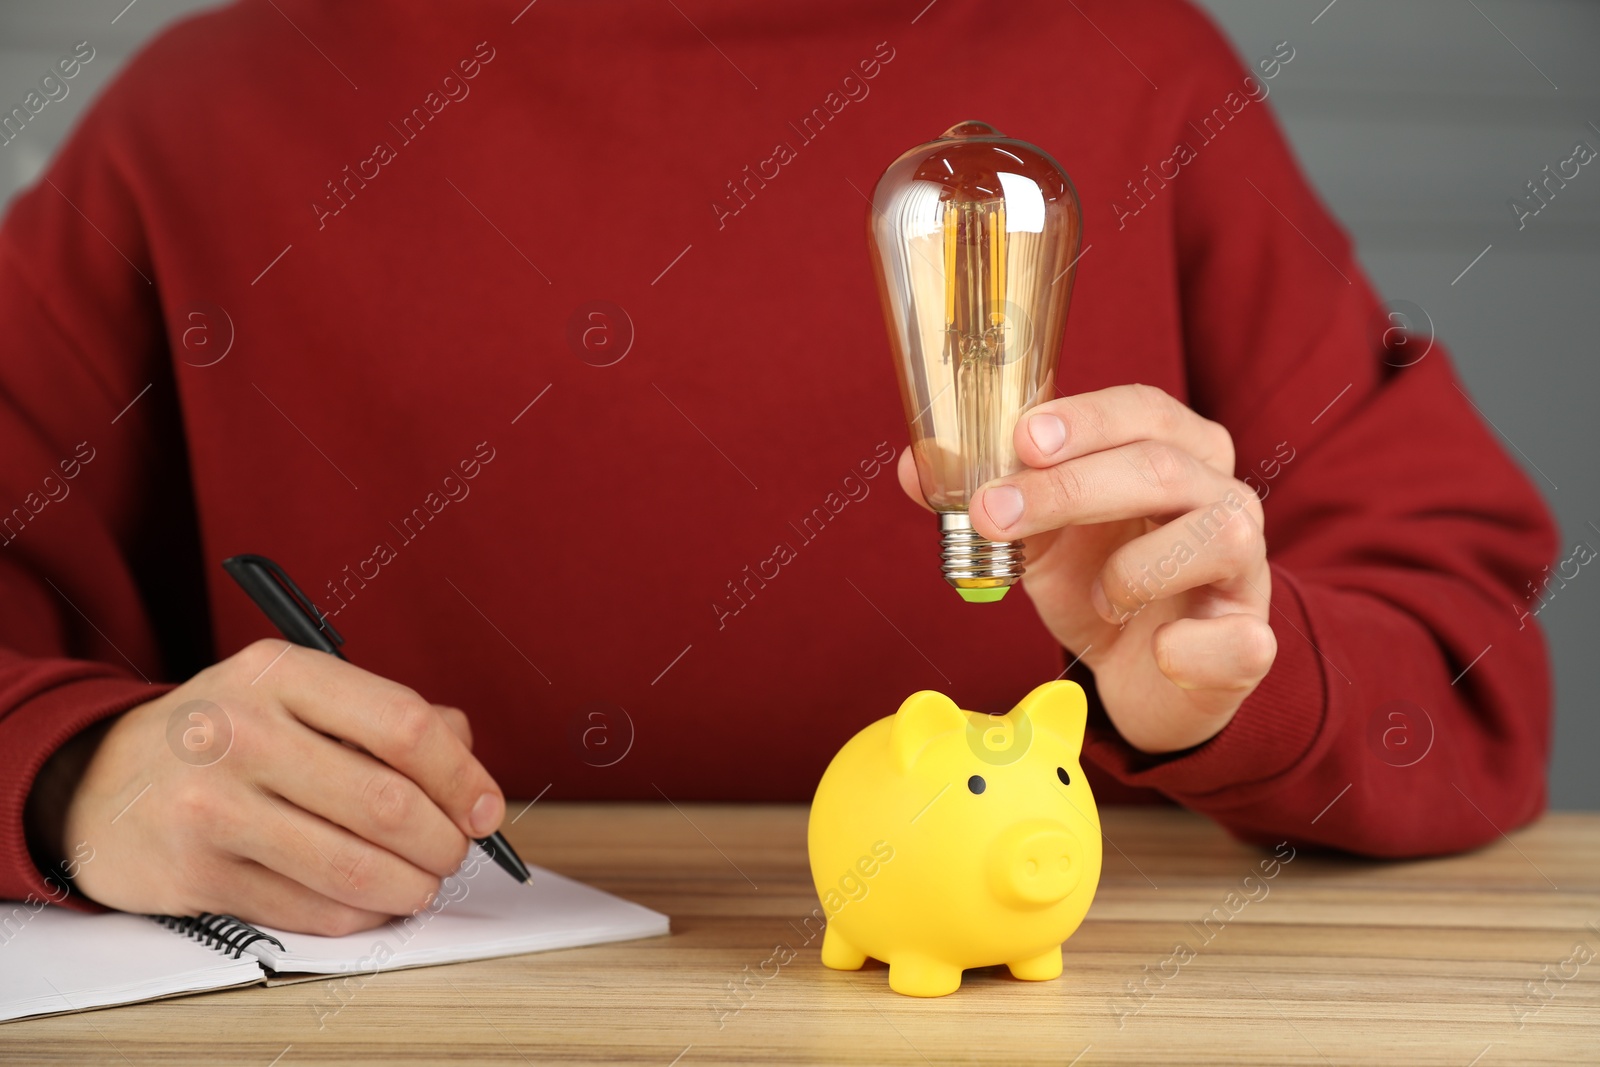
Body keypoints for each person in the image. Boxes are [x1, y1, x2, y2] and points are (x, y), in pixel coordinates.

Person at [1, 0, 1557, 936]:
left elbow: (1463, 667)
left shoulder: (1135, 71)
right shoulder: (209, 116)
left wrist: (1246, 676)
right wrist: (77, 775)